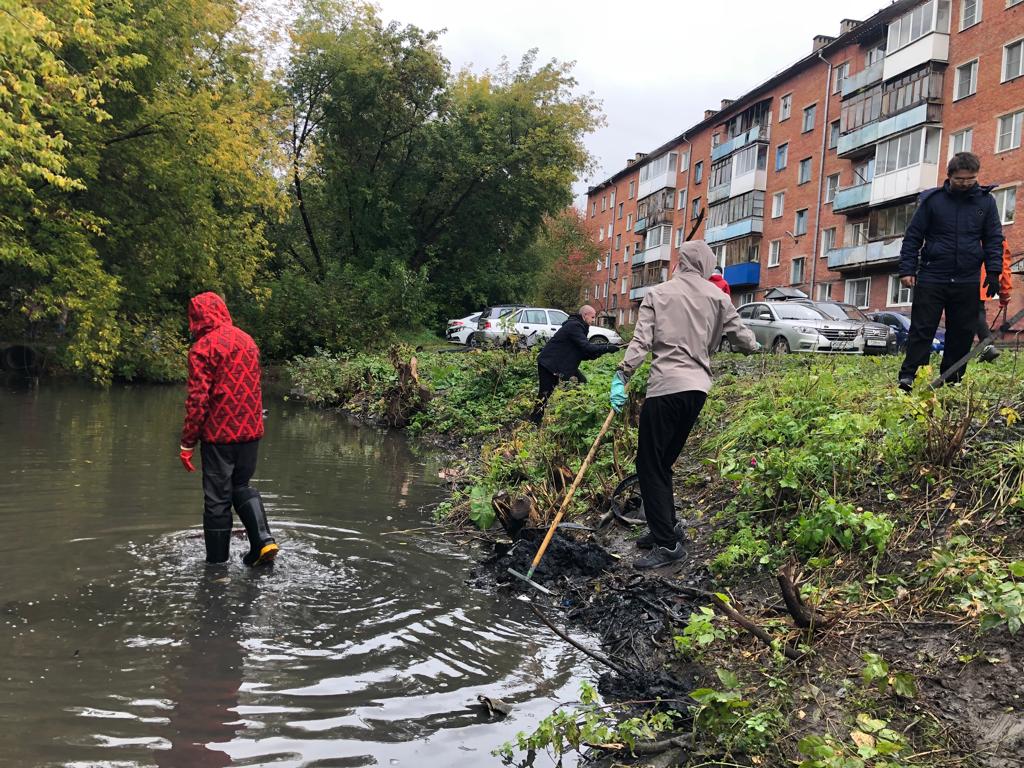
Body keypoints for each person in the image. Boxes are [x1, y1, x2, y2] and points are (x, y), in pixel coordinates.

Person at [610, 241, 759, 569]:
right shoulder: (717, 296)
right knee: (663, 463)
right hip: (697, 391)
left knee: (650, 464)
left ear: (681, 261)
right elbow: (744, 338)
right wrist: (754, 346)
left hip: (666, 388)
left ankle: (667, 545)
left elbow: (641, 342)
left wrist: (622, 377)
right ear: (707, 264)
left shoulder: (658, 294)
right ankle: (667, 526)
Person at [179, 292, 279, 567]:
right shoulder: (247, 340)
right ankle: (263, 540)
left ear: (197, 317)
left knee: (217, 499)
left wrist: (188, 442)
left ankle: (216, 567)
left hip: (219, 436)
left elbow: (198, 400)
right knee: (240, 485)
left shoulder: (202, 348)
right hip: (251, 432)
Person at [896, 152, 1004, 391]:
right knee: (922, 328)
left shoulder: (986, 202)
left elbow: (994, 238)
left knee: (961, 332)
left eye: (970, 179)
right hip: (932, 275)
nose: (965, 183)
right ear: (949, 176)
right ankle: (910, 377)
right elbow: (913, 237)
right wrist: (907, 269)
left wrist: (994, 272)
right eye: (960, 179)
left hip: (967, 278)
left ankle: (952, 379)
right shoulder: (933, 201)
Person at [531, 304, 618, 423]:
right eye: (592, 317)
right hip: (548, 364)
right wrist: (607, 347)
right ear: (585, 315)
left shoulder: (579, 327)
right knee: (544, 395)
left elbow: (584, 353)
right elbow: (587, 348)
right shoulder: (574, 326)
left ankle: (577, 415)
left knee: (581, 383)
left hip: (560, 364)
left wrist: (604, 351)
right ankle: (534, 422)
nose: (593, 321)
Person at [974, 238, 1013, 362]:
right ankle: (986, 348)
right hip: (985, 282)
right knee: (977, 312)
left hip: (968, 280)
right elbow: (1005, 265)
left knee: (974, 313)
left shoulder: (970, 226)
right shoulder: (998, 236)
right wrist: (1005, 292)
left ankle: (987, 345)